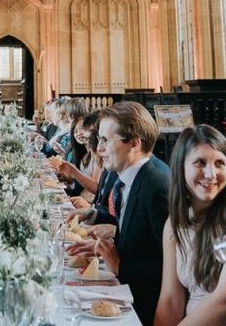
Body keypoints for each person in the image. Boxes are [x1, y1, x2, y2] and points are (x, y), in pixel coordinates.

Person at [154, 125, 226, 326]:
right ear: (181, 167)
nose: (211, 174)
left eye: (219, 163)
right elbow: (171, 301)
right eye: (200, 162)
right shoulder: (174, 224)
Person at [68, 101, 169, 325]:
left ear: (134, 143)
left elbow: (173, 267)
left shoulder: (156, 187)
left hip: (144, 308)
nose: (99, 148)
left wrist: (120, 265)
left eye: (105, 140)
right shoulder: (131, 178)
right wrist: (102, 249)